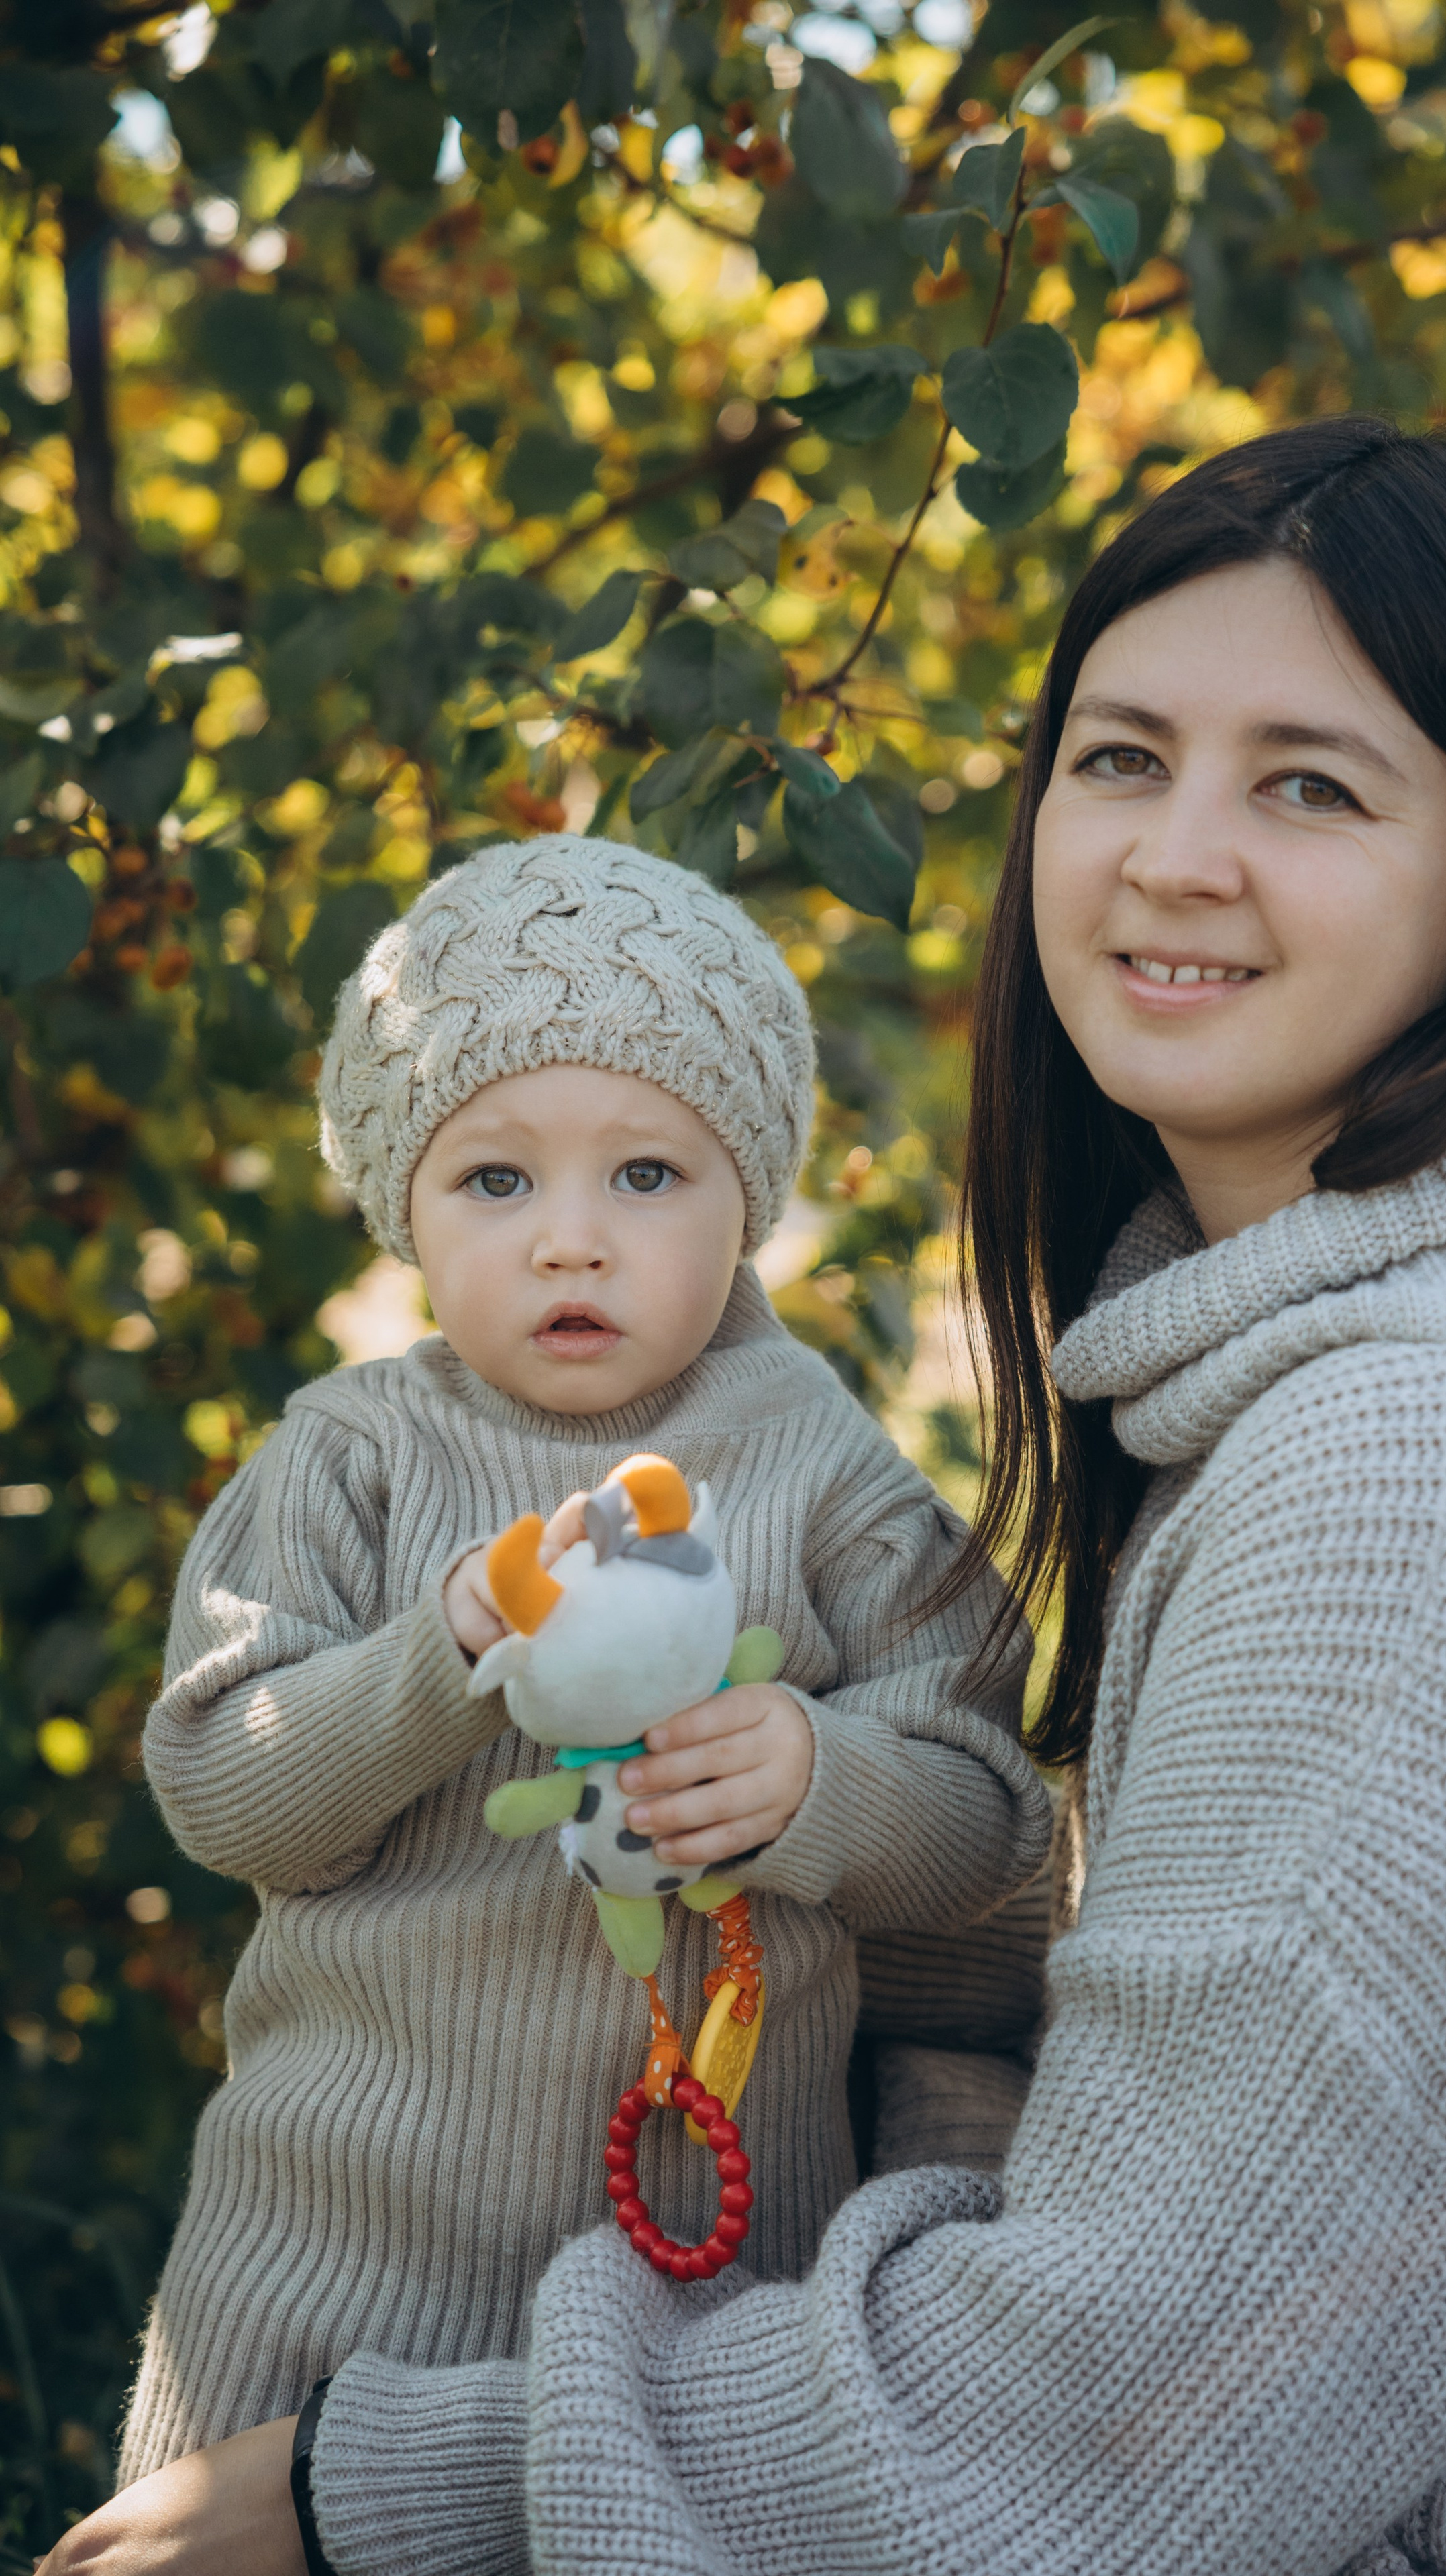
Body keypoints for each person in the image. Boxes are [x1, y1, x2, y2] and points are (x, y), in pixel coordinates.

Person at [50, 415, 1446, 2576]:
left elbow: (1120, 2420)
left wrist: (380, 2491)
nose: (1173, 856)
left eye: (1311, 783)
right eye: (1120, 759)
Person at [103, 841, 1050, 2517]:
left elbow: (987, 1820)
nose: (569, 1246)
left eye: (644, 1177)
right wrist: (439, 1654)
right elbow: (226, 1792)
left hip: (707, 2258)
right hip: (338, 2231)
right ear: (403, 1200)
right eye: (494, 1182)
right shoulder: (357, 1457)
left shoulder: (813, 1459)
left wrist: (820, 1783)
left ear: (744, 1195)